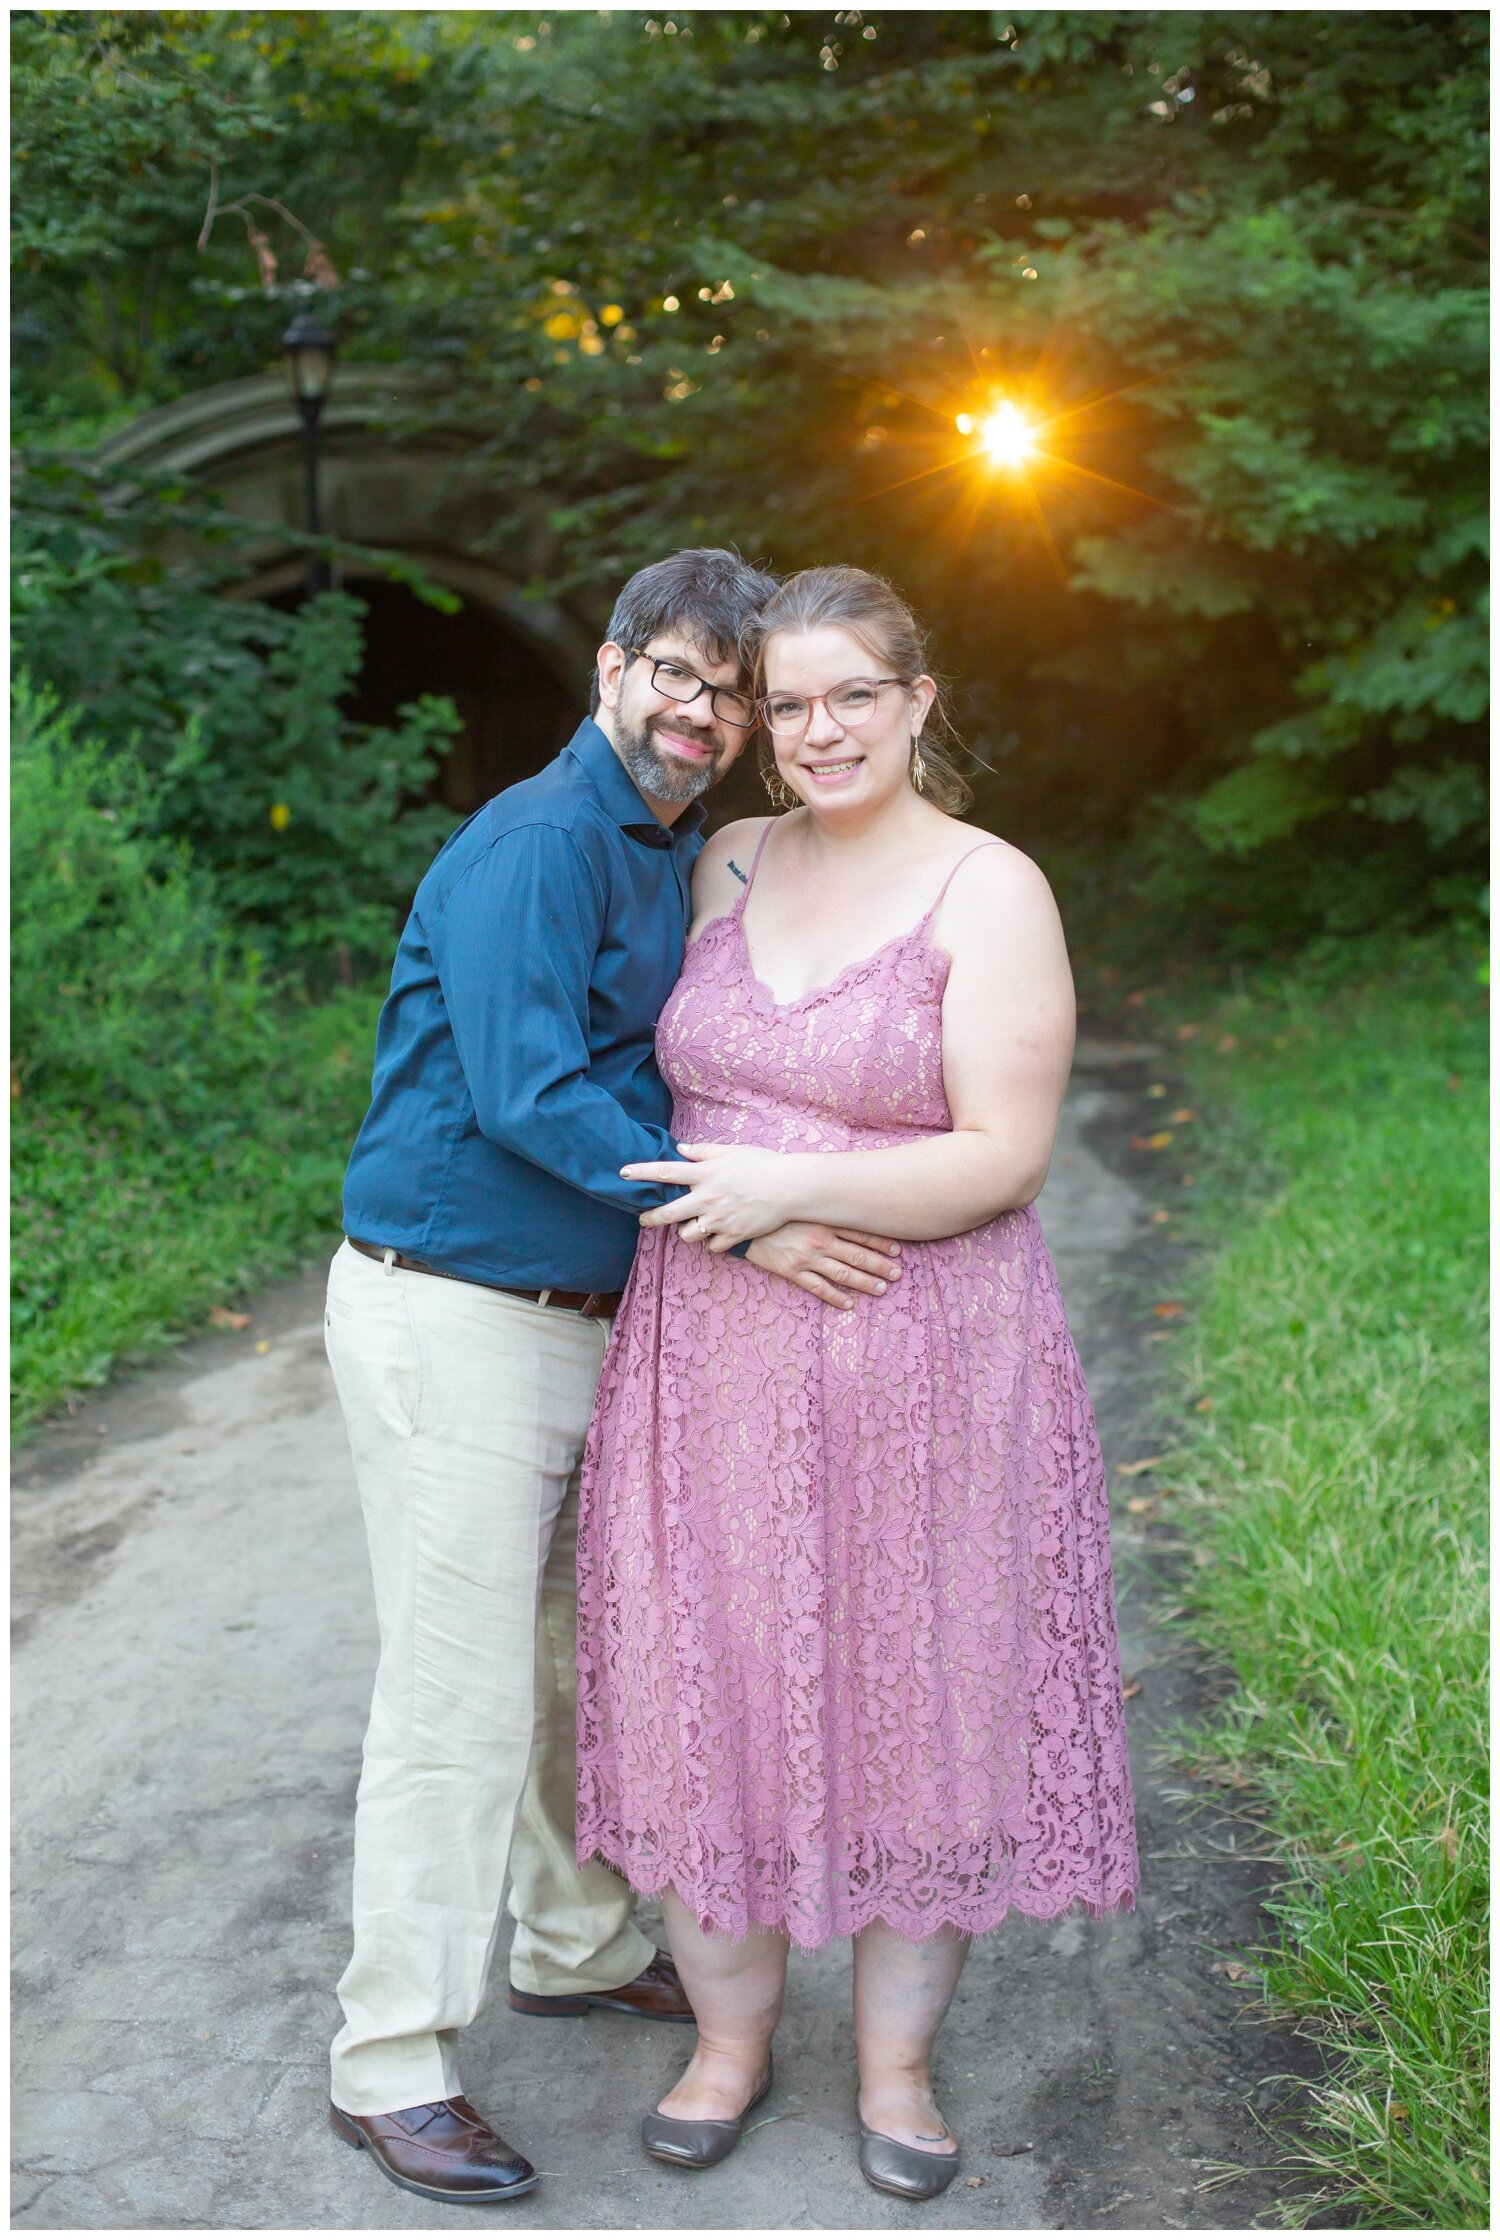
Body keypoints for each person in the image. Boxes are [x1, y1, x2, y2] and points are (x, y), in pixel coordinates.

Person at [322, 548, 906, 2208]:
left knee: (585, 1663)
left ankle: (571, 1947)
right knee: (453, 1704)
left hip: (594, 1312)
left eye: (736, 696)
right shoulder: (538, 845)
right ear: (612, 663)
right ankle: (390, 2064)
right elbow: (526, 1093)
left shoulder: (666, 853)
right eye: (683, 676)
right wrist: (749, 1217)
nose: (706, 716)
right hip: (456, 1311)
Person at [575, 564, 1139, 2200]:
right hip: (714, 1365)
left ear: (917, 703)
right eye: (790, 702)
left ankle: (895, 2073)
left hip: (933, 1364)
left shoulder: (991, 891)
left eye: (852, 698)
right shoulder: (732, 859)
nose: (817, 731)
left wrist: (778, 1194)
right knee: (713, 1690)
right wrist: (738, 1217)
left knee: (923, 1698)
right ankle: (728, 2044)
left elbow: (1004, 1155)